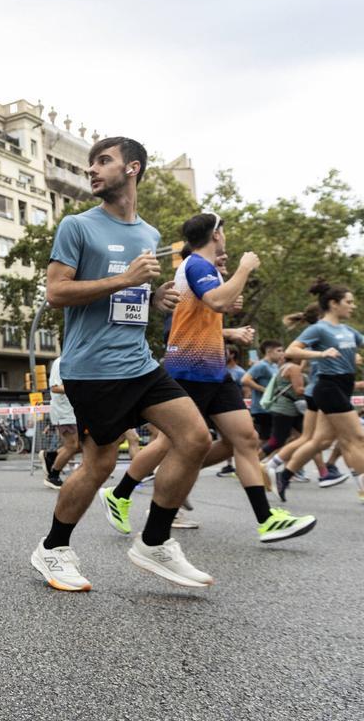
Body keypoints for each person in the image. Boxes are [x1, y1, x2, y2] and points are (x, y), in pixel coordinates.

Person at [29, 136, 215, 592]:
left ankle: (154, 542)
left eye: (103, 161)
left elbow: (126, 297)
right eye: (91, 163)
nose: (92, 169)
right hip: (93, 368)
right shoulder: (77, 226)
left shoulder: (148, 234)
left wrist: (152, 298)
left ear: (132, 169)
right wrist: (125, 279)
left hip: (138, 362)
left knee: (195, 438)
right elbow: (56, 292)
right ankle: (53, 548)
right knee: (99, 464)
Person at [101, 212, 315, 544]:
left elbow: (213, 305)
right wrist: (245, 268)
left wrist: (229, 306)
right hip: (190, 368)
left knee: (244, 439)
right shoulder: (197, 264)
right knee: (170, 442)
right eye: (223, 233)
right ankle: (120, 493)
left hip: (214, 369)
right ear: (216, 234)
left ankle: (267, 520)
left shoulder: (207, 269)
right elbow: (215, 300)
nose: (225, 239)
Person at [275, 280, 364, 500]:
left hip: (343, 386)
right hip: (329, 387)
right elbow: (291, 351)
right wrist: (321, 354)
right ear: (334, 303)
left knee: (321, 441)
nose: (353, 306)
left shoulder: (347, 330)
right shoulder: (319, 329)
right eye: (349, 302)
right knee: (357, 438)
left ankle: (284, 475)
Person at [43, 356, 79, 489]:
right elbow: (55, 387)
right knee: (72, 446)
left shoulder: (77, 361)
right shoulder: (60, 363)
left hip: (75, 411)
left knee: (83, 444)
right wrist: (79, 388)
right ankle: (53, 476)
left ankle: (51, 456)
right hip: (64, 411)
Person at [244, 340, 283, 446]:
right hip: (261, 409)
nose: (282, 353)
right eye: (279, 351)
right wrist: (264, 390)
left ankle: (263, 456)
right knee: (264, 439)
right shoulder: (261, 365)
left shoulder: (274, 366)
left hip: (272, 408)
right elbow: (245, 380)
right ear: (269, 351)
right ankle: (252, 455)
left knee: (275, 439)